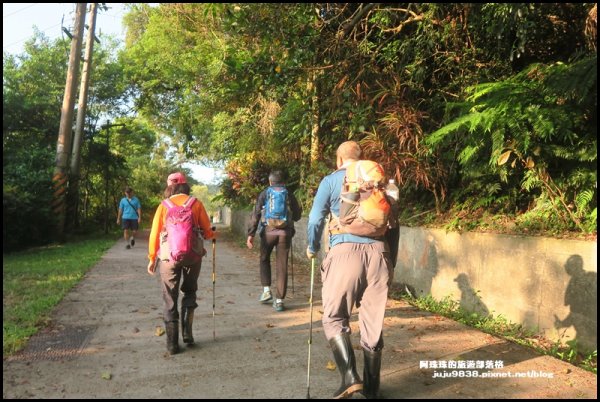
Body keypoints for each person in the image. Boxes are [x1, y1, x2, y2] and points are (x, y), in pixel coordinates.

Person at [306, 141, 392, 399]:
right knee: (373, 323)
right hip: (380, 254)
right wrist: (390, 260)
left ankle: (351, 378)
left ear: (338, 159)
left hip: (344, 253)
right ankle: (373, 389)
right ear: (361, 158)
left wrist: (312, 247)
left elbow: (314, 219)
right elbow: (393, 223)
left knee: (334, 317)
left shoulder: (331, 181)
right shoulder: (378, 182)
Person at [146, 172, 217, 355]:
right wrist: (210, 236)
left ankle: (172, 344)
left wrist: (152, 257)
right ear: (186, 186)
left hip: (168, 257)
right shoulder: (196, 203)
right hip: (193, 255)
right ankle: (187, 332)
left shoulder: (163, 206)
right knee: (190, 290)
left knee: (170, 297)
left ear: (170, 187)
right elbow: (208, 231)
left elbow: (154, 234)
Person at [246, 170, 302, 312]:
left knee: (264, 258)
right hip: (285, 234)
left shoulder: (265, 193)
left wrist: (251, 234)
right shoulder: (288, 194)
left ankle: (266, 290)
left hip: (268, 232)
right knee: (282, 265)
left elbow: (256, 214)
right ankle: (279, 301)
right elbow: (297, 215)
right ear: (283, 182)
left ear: (270, 182)